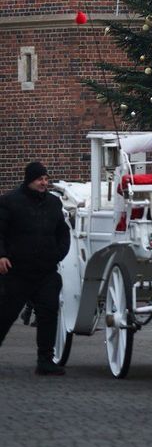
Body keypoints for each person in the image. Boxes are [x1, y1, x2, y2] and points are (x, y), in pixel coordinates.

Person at [0, 161, 71, 376]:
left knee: (48, 313)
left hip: (46, 270)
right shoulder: (9, 202)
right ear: (29, 179)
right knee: (4, 315)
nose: (44, 182)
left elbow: (63, 232)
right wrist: (1, 254)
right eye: (40, 179)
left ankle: (45, 360)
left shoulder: (53, 203)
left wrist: (58, 253)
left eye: (46, 178)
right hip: (16, 271)